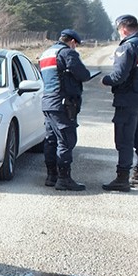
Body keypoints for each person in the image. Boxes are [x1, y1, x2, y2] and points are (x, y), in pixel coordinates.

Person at [101, 15, 138, 192]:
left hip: (128, 100)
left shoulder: (127, 47)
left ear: (124, 29)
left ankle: (122, 179)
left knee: (125, 139)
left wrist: (105, 80)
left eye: (119, 30)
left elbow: (119, 77)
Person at [39, 29, 91, 191]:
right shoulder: (67, 53)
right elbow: (83, 74)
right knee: (66, 141)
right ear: (73, 42)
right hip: (63, 104)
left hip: (48, 102)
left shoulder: (46, 53)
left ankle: (51, 176)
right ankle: (64, 179)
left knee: (51, 140)